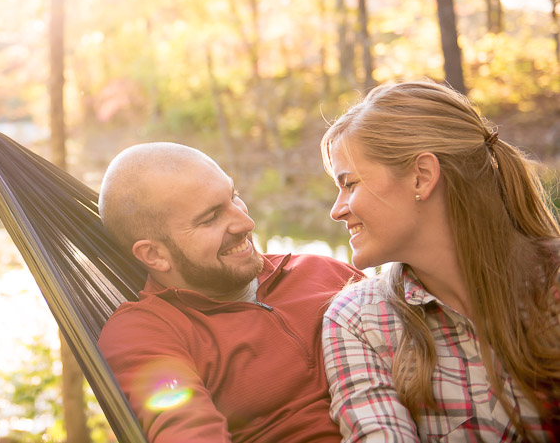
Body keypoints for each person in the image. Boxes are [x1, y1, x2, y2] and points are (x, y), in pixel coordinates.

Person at [320, 80, 560, 442]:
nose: (337, 210)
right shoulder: (358, 322)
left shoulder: (552, 282)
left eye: (350, 184)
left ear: (422, 176)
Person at [97, 142, 363, 443]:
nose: (246, 223)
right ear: (154, 254)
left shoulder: (323, 272)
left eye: (234, 196)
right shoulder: (145, 334)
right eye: (210, 218)